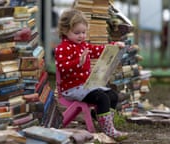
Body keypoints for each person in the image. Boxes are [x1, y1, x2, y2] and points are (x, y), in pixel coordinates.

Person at [54, 9, 128, 141]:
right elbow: (62, 68)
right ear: (65, 31)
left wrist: (114, 46)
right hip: (71, 89)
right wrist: (78, 62)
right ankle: (108, 129)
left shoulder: (83, 46)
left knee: (112, 95)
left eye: (84, 32)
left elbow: (98, 50)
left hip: (86, 86)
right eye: (77, 33)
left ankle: (105, 124)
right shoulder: (62, 48)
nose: (81, 36)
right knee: (102, 98)